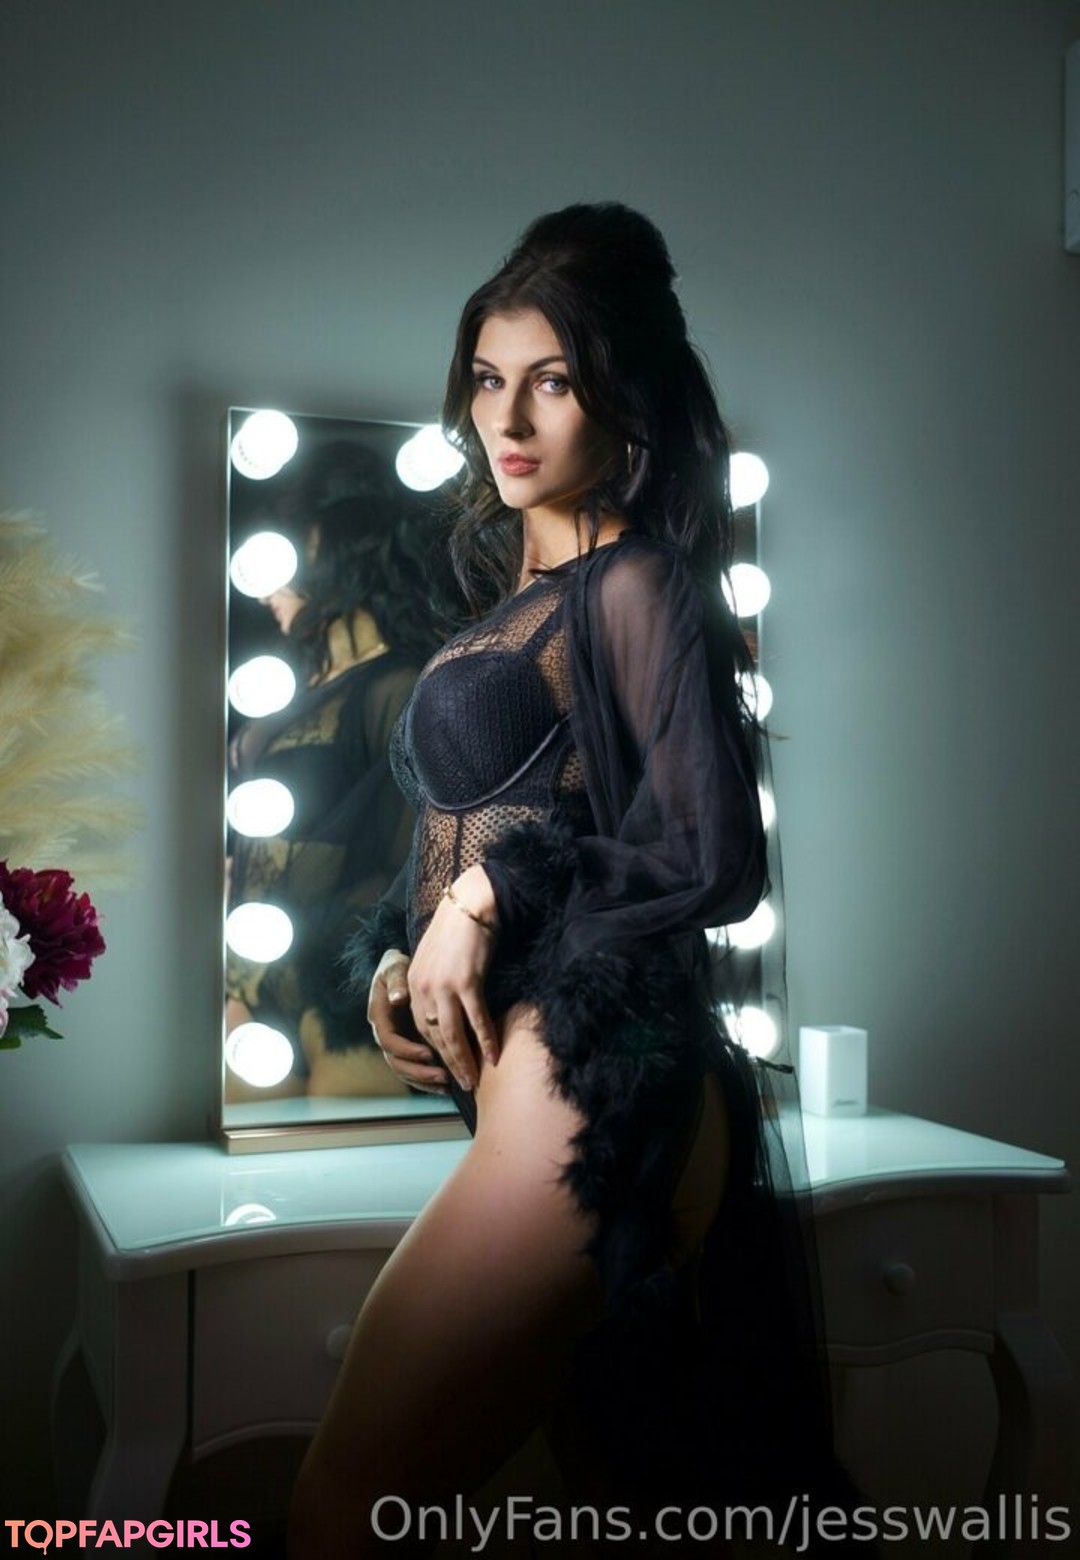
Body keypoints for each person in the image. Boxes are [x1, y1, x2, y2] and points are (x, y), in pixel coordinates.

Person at [289, 205, 864, 1557]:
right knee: (576, 1511)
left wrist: (483, 900)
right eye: (489, 379)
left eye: (551, 379)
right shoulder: (506, 610)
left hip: (592, 1076)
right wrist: (401, 955)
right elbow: (482, 825)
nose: (508, 415)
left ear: (624, 390)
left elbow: (714, 856)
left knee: (339, 1511)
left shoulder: (636, 582)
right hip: (533, 1084)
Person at [226, 443, 443, 1100]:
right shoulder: (288, 692)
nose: (267, 586)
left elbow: (412, 859)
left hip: (345, 997)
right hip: (254, 984)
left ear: (333, 548)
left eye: (289, 555)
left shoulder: (400, 686)